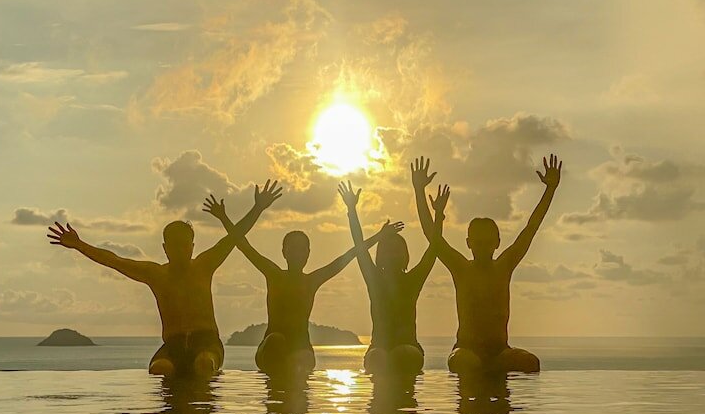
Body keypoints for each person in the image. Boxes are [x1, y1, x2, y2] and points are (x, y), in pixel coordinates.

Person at [47, 179, 283, 377]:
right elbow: (114, 260)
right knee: (159, 369)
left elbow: (234, 237)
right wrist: (79, 245)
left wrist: (258, 209)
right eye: (174, 246)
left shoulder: (204, 265)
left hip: (206, 343)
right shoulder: (156, 274)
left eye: (184, 246)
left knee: (203, 364)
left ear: (192, 246)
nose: (180, 251)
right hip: (174, 345)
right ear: (165, 248)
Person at [208, 200, 402, 377]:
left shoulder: (312, 280)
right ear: (284, 252)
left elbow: (350, 255)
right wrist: (225, 217)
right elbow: (243, 245)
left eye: (302, 249)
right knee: (276, 340)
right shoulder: (274, 274)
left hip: (301, 349)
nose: (297, 253)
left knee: (301, 361)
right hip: (271, 347)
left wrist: (378, 236)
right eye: (292, 248)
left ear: (308, 253)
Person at [419, 154, 564, 373]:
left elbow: (531, 228)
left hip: (499, 351)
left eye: (488, 241)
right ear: (469, 243)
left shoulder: (504, 266)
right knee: (464, 362)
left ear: (497, 242)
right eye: (478, 242)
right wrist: (418, 191)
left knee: (531, 363)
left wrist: (550, 190)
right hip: (466, 350)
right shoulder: (461, 268)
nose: (483, 246)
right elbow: (432, 236)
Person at [338, 172, 448, 375]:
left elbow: (434, 249)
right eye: (388, 248)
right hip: (378, 349)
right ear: (380, 254)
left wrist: (439, 216)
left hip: (409, 349)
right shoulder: (374, 279)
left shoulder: (412, 280)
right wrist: (352, 210)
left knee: (402, 354)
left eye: (397, 249)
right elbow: (360, 247)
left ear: (406, 256)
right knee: (380, 358)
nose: (392, 253)